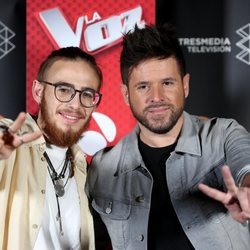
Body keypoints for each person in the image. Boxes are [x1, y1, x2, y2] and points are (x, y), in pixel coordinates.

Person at [86, 24, 250, 250]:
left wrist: (247, 190)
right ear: (126, 95)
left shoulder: (224, 135)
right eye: (143, 86)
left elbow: (245, 165)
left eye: (167, 83)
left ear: (185, 85)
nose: (157, 97)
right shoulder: (101, 167)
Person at [0, 46, 102, 250]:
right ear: (38, 92)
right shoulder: (11, 146)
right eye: (64, 90)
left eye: (87, 94)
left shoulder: (84, 167)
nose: (76, 104)